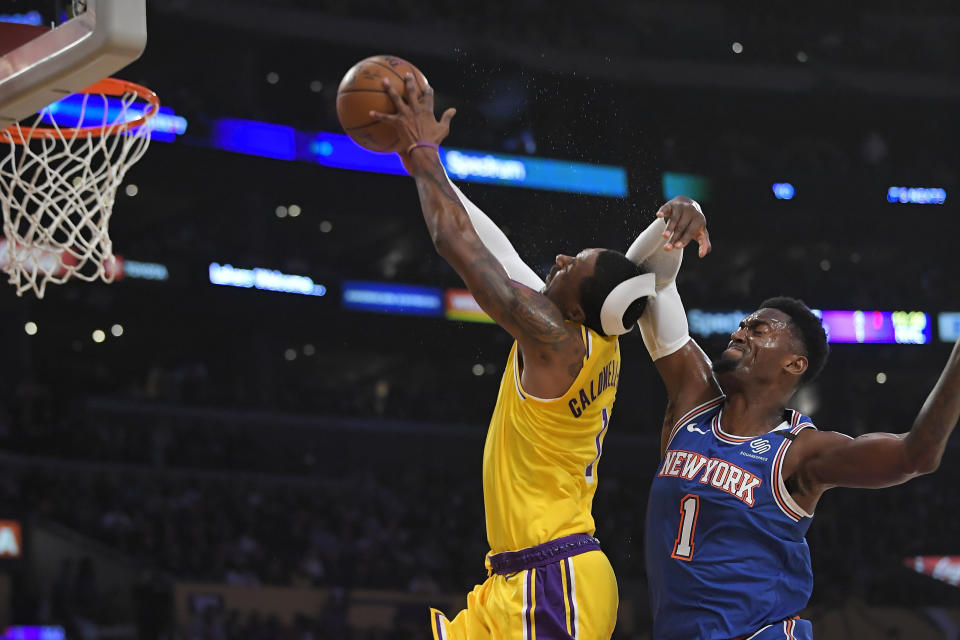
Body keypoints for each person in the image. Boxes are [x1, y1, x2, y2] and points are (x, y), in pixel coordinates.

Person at [369, 73, 711, 639]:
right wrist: (425, 167)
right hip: (524, 579)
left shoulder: (554, 339)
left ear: (574, 308)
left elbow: (456, 243)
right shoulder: (591, 334)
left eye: (568, 265)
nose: (556, 258)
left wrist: (419, 148)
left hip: (551, 581)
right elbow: (498, 247)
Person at [635, 206, 960, 639]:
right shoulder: (693, 401)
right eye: (744, 323)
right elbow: (650, 283)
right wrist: (679, 218)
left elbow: (913, 455)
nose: (741, 331)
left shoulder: (801, 450)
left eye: (759, 329)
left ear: (794, 363)